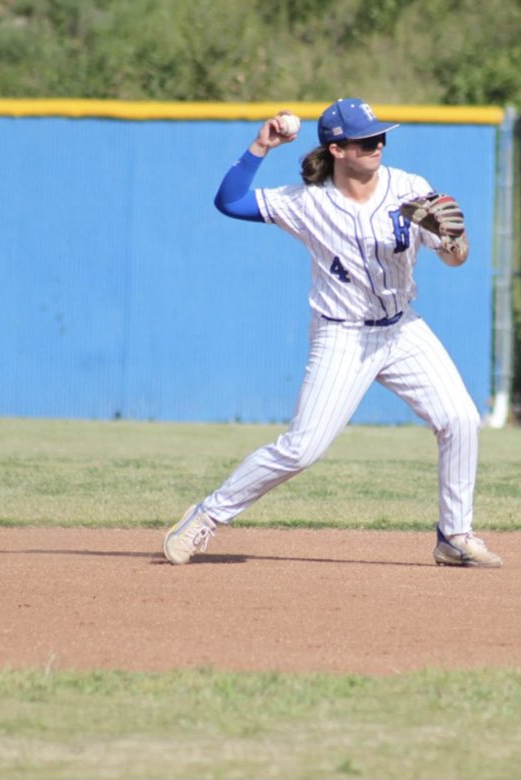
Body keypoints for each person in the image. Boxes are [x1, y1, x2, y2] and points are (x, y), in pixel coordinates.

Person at [164, 97, 502, 568]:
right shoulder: (307, 202)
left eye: (381, 136)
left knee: (461, 420)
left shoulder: (410, 187)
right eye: (366, 140)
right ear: (338, 149)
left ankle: (454, 535)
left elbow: (454, 257)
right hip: (342, 335)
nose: (378, 144)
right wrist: (262, 145)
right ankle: (205, 517)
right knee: (302, 449)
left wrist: (454, 242)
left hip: (403, 330)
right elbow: (230, 202)